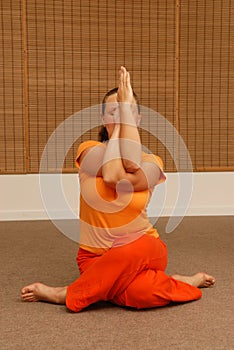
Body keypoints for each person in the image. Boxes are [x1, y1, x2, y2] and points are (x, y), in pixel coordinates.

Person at [21, 66, 215, 311]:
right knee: (142, 293)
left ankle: (66, 293)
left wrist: (123, 118)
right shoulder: (89, 149)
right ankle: (179, 282)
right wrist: (123, 122)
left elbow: (130, 163)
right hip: (94, 258)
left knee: (137, 250)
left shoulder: (152, 164)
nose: (121, 116)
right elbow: (112, 175)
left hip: (145, 250)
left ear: (138, 120)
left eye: (128, 111)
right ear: (103, 119)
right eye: (114, 111)